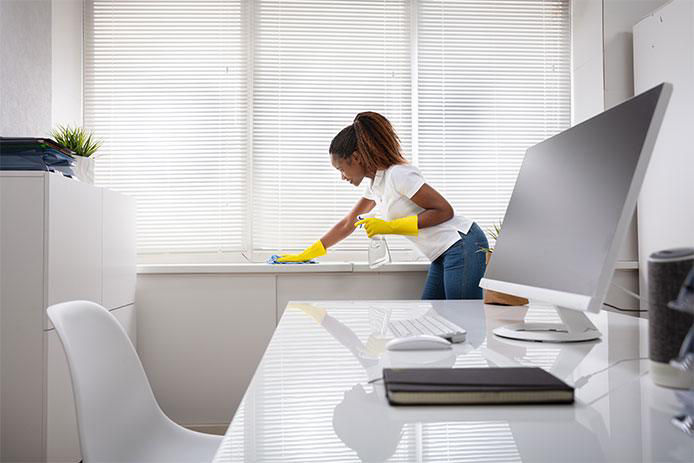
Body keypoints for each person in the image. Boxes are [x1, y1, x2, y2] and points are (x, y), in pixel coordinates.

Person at [278, 111, 488, 299]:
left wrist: (389, 227)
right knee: (435, 320)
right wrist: (309, 253)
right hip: (441, 253)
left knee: (462, 320)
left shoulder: (398, 174)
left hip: (461, 243)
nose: (342, 177)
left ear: (357, 157)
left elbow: (444, 211)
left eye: (341, 169)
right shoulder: (376, 184)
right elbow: (348, 223)